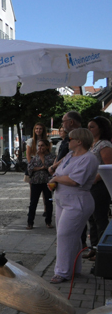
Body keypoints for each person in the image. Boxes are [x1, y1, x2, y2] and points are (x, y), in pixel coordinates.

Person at [47, 128, 98, 284]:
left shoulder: (89, 158)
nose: (68, 141)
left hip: (77, 201)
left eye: (70, 139)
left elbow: (75, 180)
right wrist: (55, 173)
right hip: (63, 200)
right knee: (71, 236)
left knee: (64, 235)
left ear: (79, 141)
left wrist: (56, 178)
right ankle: (73, 268)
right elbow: (58, 168)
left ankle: (62, 272)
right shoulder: (70, 155)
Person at [85, 116, 112, 257]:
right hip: (90, 185)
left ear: (100, 129)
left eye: (92, 127)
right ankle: (93, 248)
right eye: (88, 126)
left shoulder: (104, 145)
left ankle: (101, 250)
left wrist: (94, 179)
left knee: (100, 218)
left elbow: (108, 166)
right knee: (91, 217)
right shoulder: (92, 144)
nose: (89, 129)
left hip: (100, 186)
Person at [26, 139, 54, 229]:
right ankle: (30, 222)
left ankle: (48, 221)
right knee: (33, 202)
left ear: (46, 147)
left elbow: (49, 168)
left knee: (48, 202)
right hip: (36, 182)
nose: (40, 148)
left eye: (42, 146)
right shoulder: (35, 157)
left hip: (47, 182)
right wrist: (40, 168)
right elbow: (30, 168)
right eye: (39, 146)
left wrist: (41, 164)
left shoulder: (51, 157)